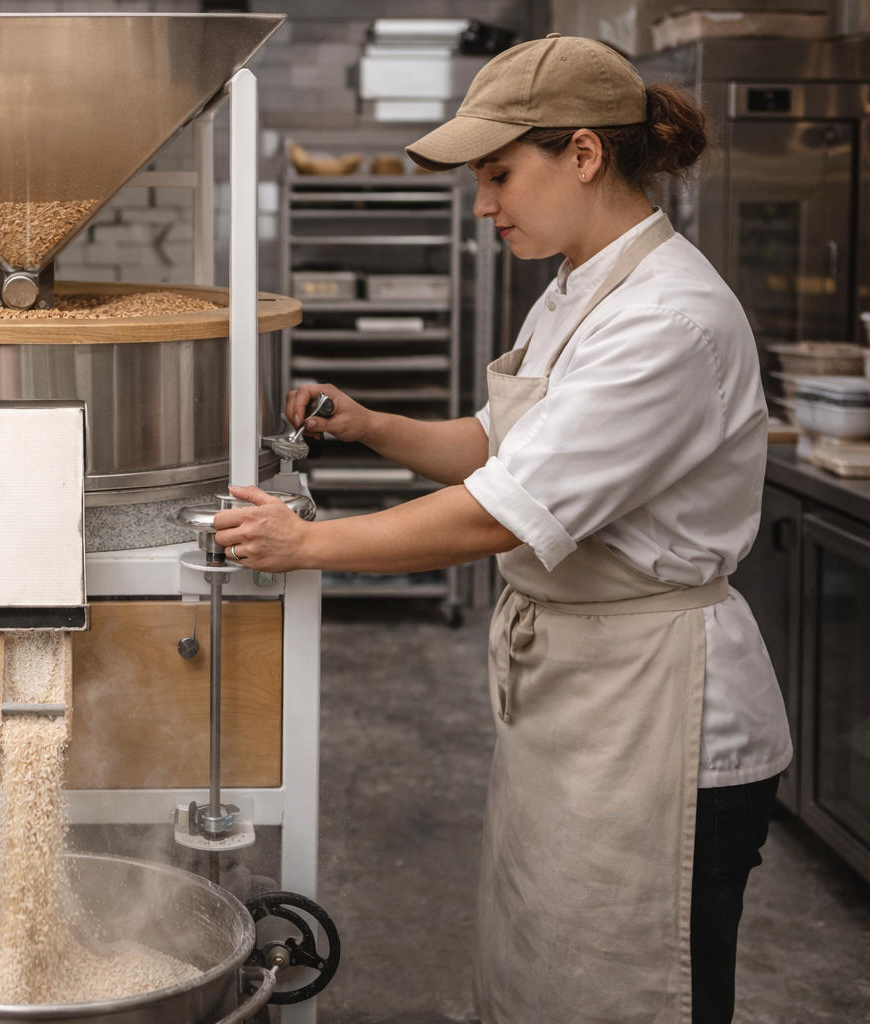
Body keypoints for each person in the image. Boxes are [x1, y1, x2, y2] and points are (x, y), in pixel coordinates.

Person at [215, 34, 791, 1024]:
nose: (484, 205)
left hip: (660, 719)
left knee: (635, 991)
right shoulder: (578, 283)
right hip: (584, 694)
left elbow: (498, 510)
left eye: (498, 174)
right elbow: (499, 443)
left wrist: (310, 543)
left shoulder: (666, 318)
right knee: (551, 975)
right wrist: (373, 426)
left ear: (582, 153)